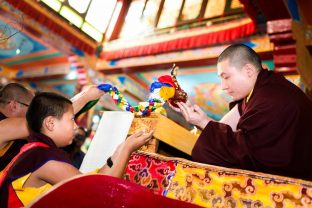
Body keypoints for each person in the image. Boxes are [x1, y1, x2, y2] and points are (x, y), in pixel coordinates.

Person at [171, 43, 312, 181]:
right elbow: (227, 126)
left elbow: (244, 153)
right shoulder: (260, 89)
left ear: (248, 71)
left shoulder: (270, 99)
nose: (223, 86)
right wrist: (200, 119)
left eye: (226, 77)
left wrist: (203, 122)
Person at [0, 92, 153, 207]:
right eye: (72, 119)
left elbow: (92, 181)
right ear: (51, 123)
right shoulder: (46, 160)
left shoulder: (34, 150)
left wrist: (118, 153)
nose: (76, 126)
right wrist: (127, 149)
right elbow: (101, 196)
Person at [0, 83, 104, 173]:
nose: (36, 112)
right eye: (32, 108)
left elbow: (56, 113)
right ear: (14, 106)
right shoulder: (3, 127)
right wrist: (85, 97)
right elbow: (51, 117)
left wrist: (84, 95)